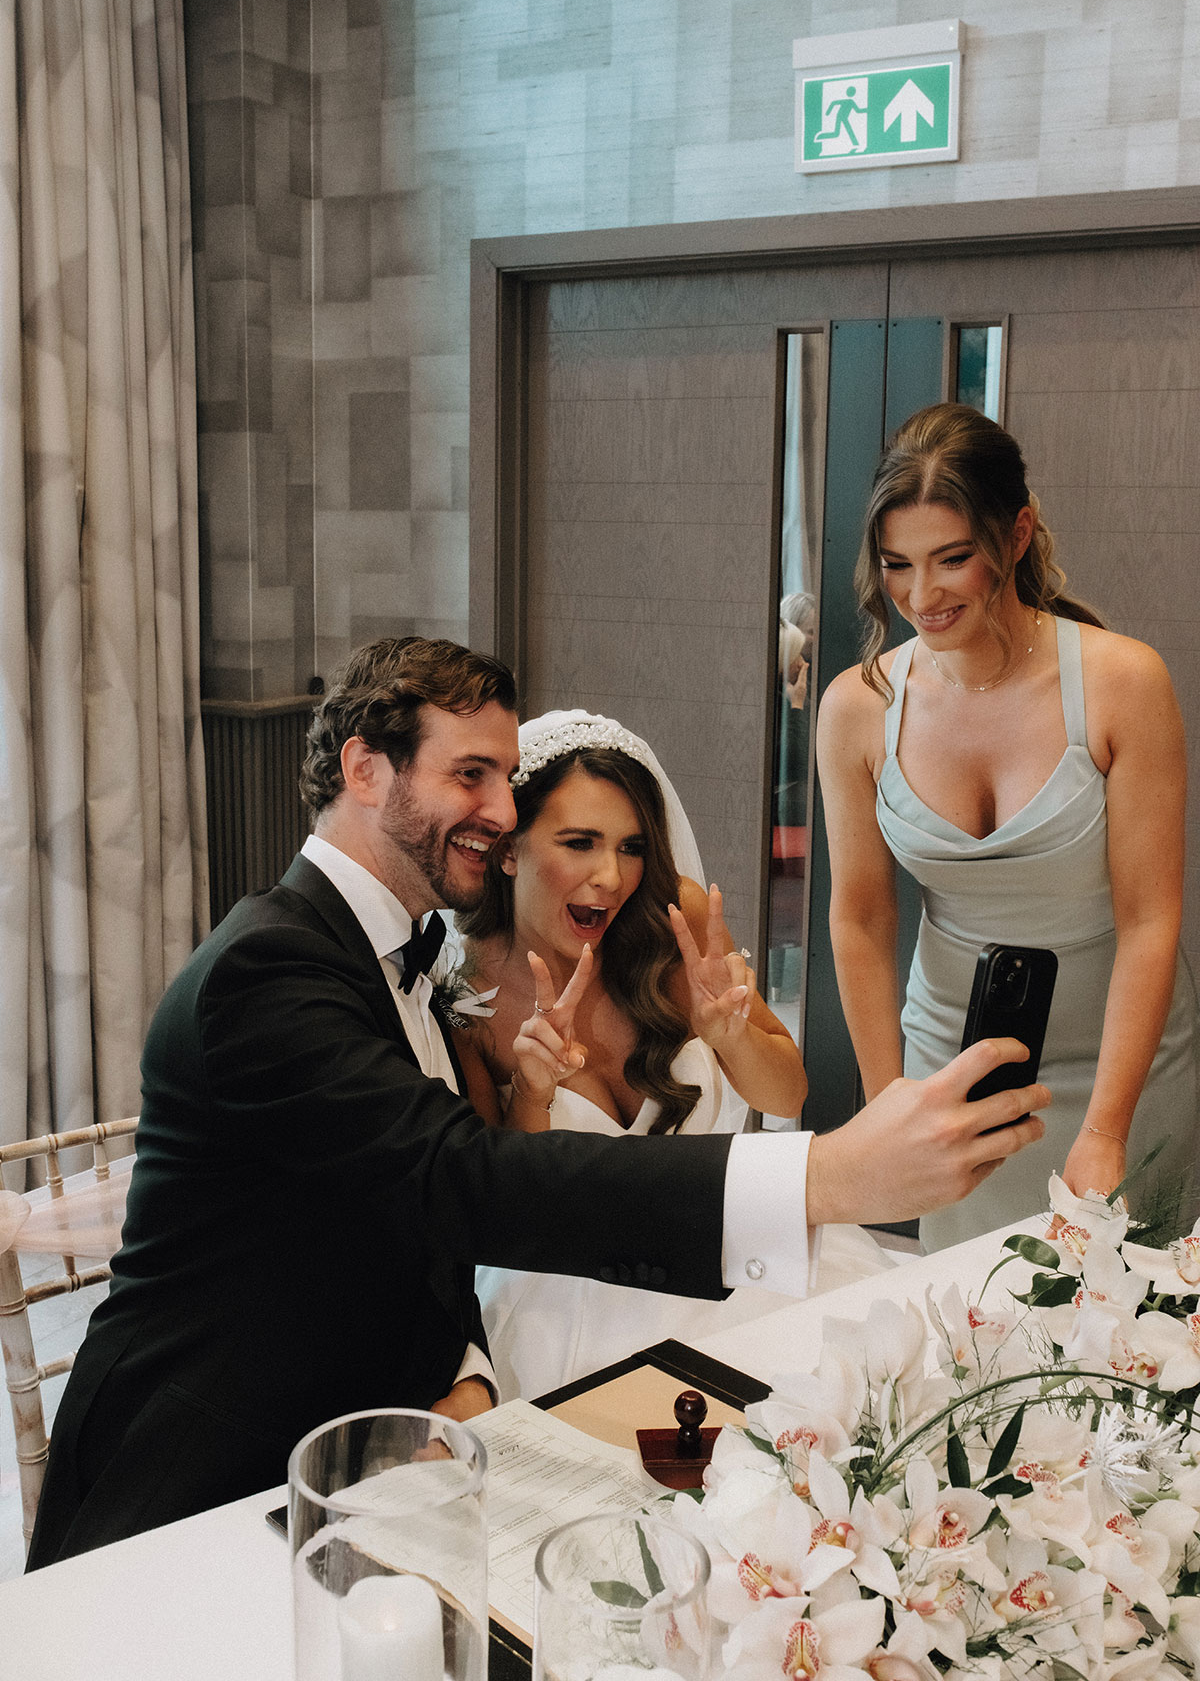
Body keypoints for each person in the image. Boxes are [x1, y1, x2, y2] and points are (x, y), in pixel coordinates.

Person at [29, 636, 1050, 1566]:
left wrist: (469, 1377)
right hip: (202, 1492)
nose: (501, 809)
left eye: (502, 780)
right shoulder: (268, 968)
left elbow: (415, 1225)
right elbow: (464, 1182)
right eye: (468, 775)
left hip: (389, 1447)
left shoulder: (396, 957)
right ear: (363, 770)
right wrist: (826, 1175)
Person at [817, 402, 1200, 1251]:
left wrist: (1104, 1129)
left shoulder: (1122, 682)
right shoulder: (855, 707)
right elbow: (861, 918)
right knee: (971, 1347)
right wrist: (891, 1107)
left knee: (1121, 1350)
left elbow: (1150, 919)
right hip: (954, 1066)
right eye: (897, 566)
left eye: (952, 560)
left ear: (1016, 535)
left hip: (1123, 1069)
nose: (922, 595)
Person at [449, 711, 889, 1397]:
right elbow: (501, 1212)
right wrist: (531, 1091)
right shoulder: (467, 995)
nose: (610, 877)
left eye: (630, 847)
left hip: (732, 1266)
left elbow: (785, 1097)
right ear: (509, 849)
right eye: (579, 842)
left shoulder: (670, 922)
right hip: (566, 1310)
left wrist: (731, 1035)